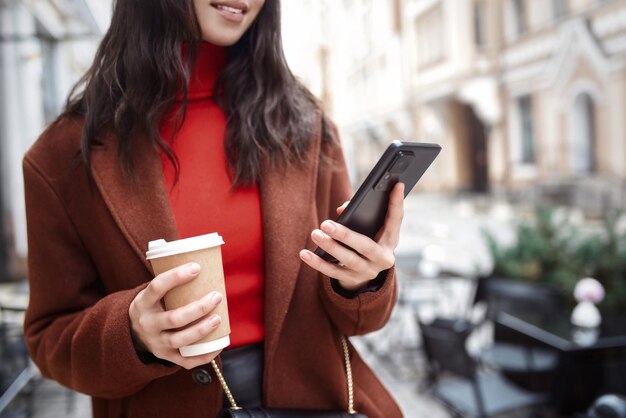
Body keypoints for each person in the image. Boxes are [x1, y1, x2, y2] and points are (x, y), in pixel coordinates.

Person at [22, 0, 404, 417]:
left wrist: (363, 281)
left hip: (317, 403)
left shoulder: (306, 126)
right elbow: (48, 341)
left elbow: (361, 322)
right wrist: (132, 335)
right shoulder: (60, 157)